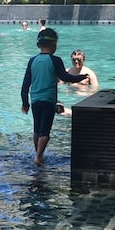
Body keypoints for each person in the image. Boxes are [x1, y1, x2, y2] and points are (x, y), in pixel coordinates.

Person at [21, 28, 89, 166]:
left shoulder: (32, 61)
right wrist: (81, 77)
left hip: (35, 100)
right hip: (48, 100)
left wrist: (25, 103)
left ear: (38, 45)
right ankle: (38, 157)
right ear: (54, 44)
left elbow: (25, 85)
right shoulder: (55, 60)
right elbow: (65, 77)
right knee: (45, 131)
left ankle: (37, 153)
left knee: (37, 129)